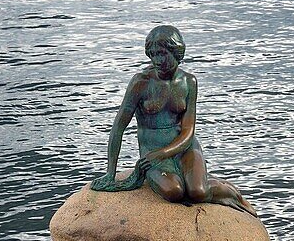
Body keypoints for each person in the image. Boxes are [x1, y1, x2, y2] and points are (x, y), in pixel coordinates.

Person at [93, 24, 256, 214]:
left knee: (198, 192)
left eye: (162, 54)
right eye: (152, 54)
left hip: (184, 147)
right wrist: (110, 173)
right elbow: (118, 128)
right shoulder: (141, 83)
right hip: (152, 152)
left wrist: (164, 153)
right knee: (174, 192)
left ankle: (227, 191)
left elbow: (188, 131)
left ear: (176, 52)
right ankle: (198, 178)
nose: (157, 60)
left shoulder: (189, 82)